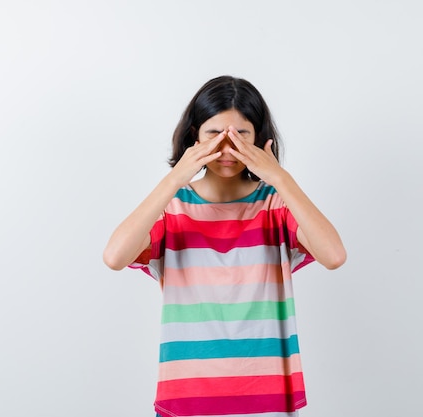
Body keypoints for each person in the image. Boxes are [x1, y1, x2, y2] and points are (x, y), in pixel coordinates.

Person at [103, 75, 346, 417]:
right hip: (187, 398)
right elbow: (115, 257)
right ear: (194, 137)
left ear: (260, 138)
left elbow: (334, 255)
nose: (226, 147)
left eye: (240, 135)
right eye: (214, 134)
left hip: (266, 399)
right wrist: (175, 178)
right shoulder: (173, 209)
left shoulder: (275, 207)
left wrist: (279, 177)